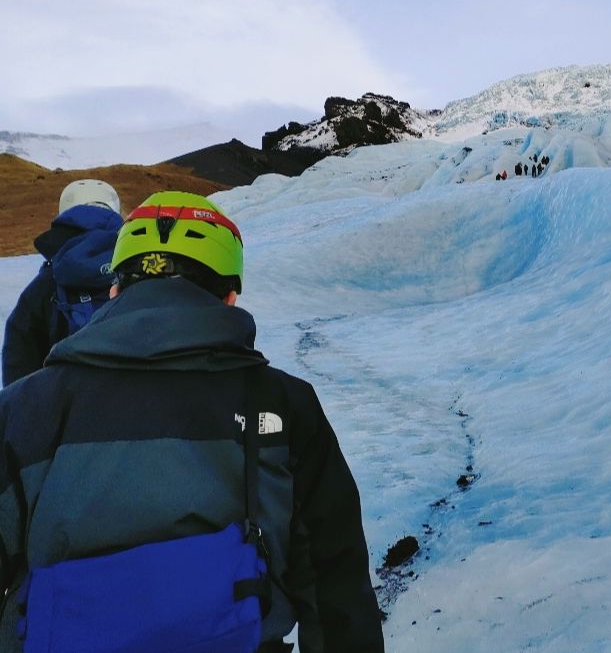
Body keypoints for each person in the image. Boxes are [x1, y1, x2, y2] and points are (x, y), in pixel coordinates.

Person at [0, 191, 385, 652]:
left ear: (114, 291)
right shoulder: (286, 404)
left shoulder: (22, 408)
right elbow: (335, 584)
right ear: (230, 298)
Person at [2, 178, 123, 385]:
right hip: (136, 399)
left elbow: (19, 361)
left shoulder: (45, 284)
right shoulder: (138, 272)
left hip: (66, 400)